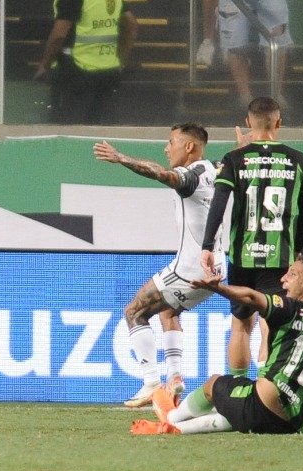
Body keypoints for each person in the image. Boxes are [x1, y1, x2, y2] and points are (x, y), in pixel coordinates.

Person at [137, 256, 303, 437]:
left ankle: (170, 419)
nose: (283, 279)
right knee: (237, 411)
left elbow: (251, 297)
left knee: (213, 385)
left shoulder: (290, 308)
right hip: (297, 424)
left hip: (265, 403)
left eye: (292, 274)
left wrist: (220, 289)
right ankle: (177, 429)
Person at [92, 124, 221, 408]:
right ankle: (174, 377)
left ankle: (151, 382)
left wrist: (121, 158)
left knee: (134, 312)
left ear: (189, 147)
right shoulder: (217, 169)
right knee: (168, 311)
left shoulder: (191, 176)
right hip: (217, 267)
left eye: (171, 142)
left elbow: (161, 173)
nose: (166, 148)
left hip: (190, 267)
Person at [197, 95, 303, 381]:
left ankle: (237, 386)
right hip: (279, 257)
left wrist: (207, 245)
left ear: (248, 122)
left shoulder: (235, 159)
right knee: (271, 323)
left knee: (241, 325)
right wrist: (297, 248)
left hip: (242, 256)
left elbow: (219, 204)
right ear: (279, 122)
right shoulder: (297, 160)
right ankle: (265, 387)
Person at [34, 0, 137, 124]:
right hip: (108, 71)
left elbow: (59, 34)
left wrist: (45, 64)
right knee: (101, 129)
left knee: (69, 128)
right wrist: (121, 59)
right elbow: (131, 23)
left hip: (76, 71)